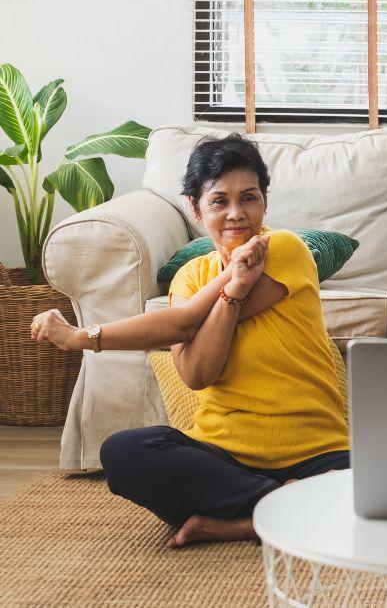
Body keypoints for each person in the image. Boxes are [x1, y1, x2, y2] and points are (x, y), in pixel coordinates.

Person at [30, 133, 349, 548]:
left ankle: (245, 521)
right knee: (124, 453)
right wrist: (233, 290)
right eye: (219, 201)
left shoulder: (285, 248)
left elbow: (183, 324)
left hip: (316, 453)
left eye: (249, 198)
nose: (237, 214)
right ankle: (286, 508)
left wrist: (80, 337)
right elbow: (198, 373)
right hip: (224, 459)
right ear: (195, 209)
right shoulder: (188, 277)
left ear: (265, 203)